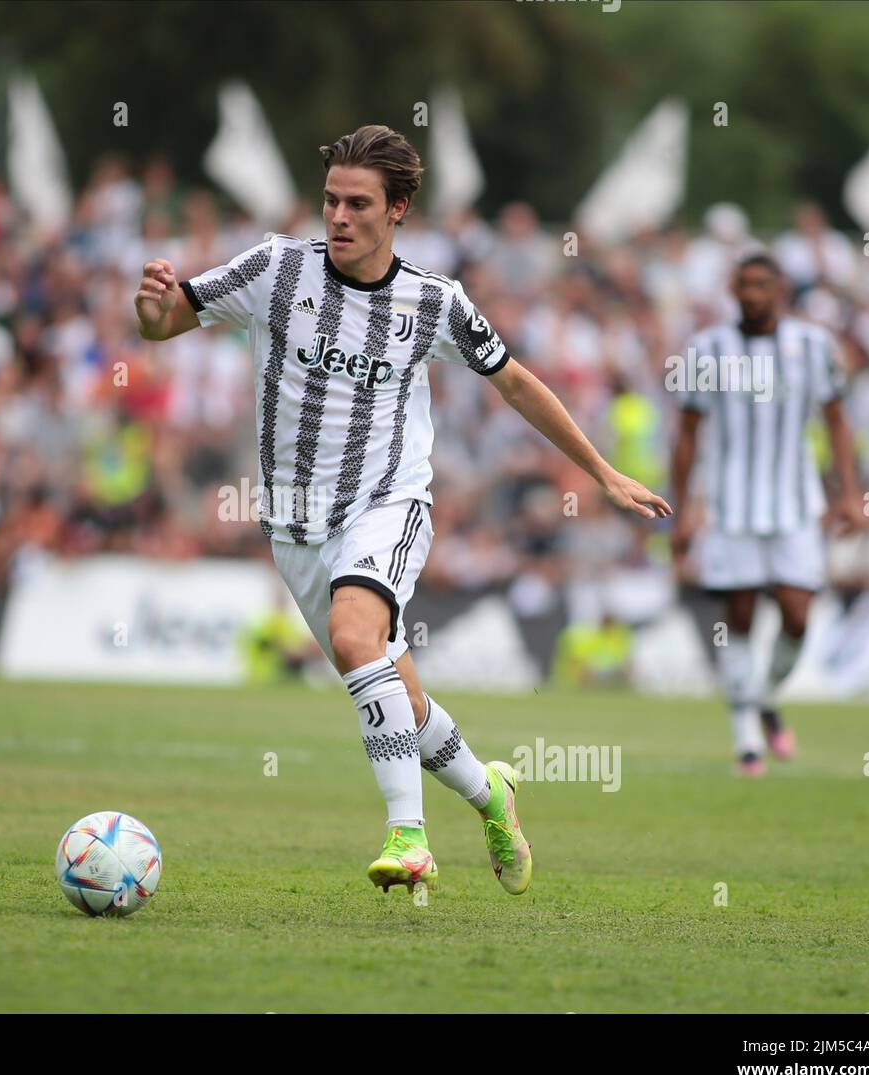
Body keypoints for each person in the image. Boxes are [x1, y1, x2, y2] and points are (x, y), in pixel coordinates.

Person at [134, 124, 670, 896]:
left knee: (359, 641)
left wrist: (603, 471)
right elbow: (167, 321)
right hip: (294, 524)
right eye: (331, 201)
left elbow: (514, 380)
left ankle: (408, 837)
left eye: (359, 204)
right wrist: (151, 308)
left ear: (398, 212)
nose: (340, 217)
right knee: (398, 698)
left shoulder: (431, 301)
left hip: (388, 502)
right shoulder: (276, 269)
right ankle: (492, 794)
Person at [670, 254, 863, 776]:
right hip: (731, 506)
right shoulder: (707, 348)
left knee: (799, 615)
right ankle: (746, 742)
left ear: (780, 289)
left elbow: (838, 421)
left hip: (796, 503)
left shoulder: (814, 345)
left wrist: (850, 493)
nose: (753, 293)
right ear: (733, 288)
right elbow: (687, 433)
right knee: (741, 619)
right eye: (745, 284)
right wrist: (682, 509)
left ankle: (764, 697)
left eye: (763, 284)